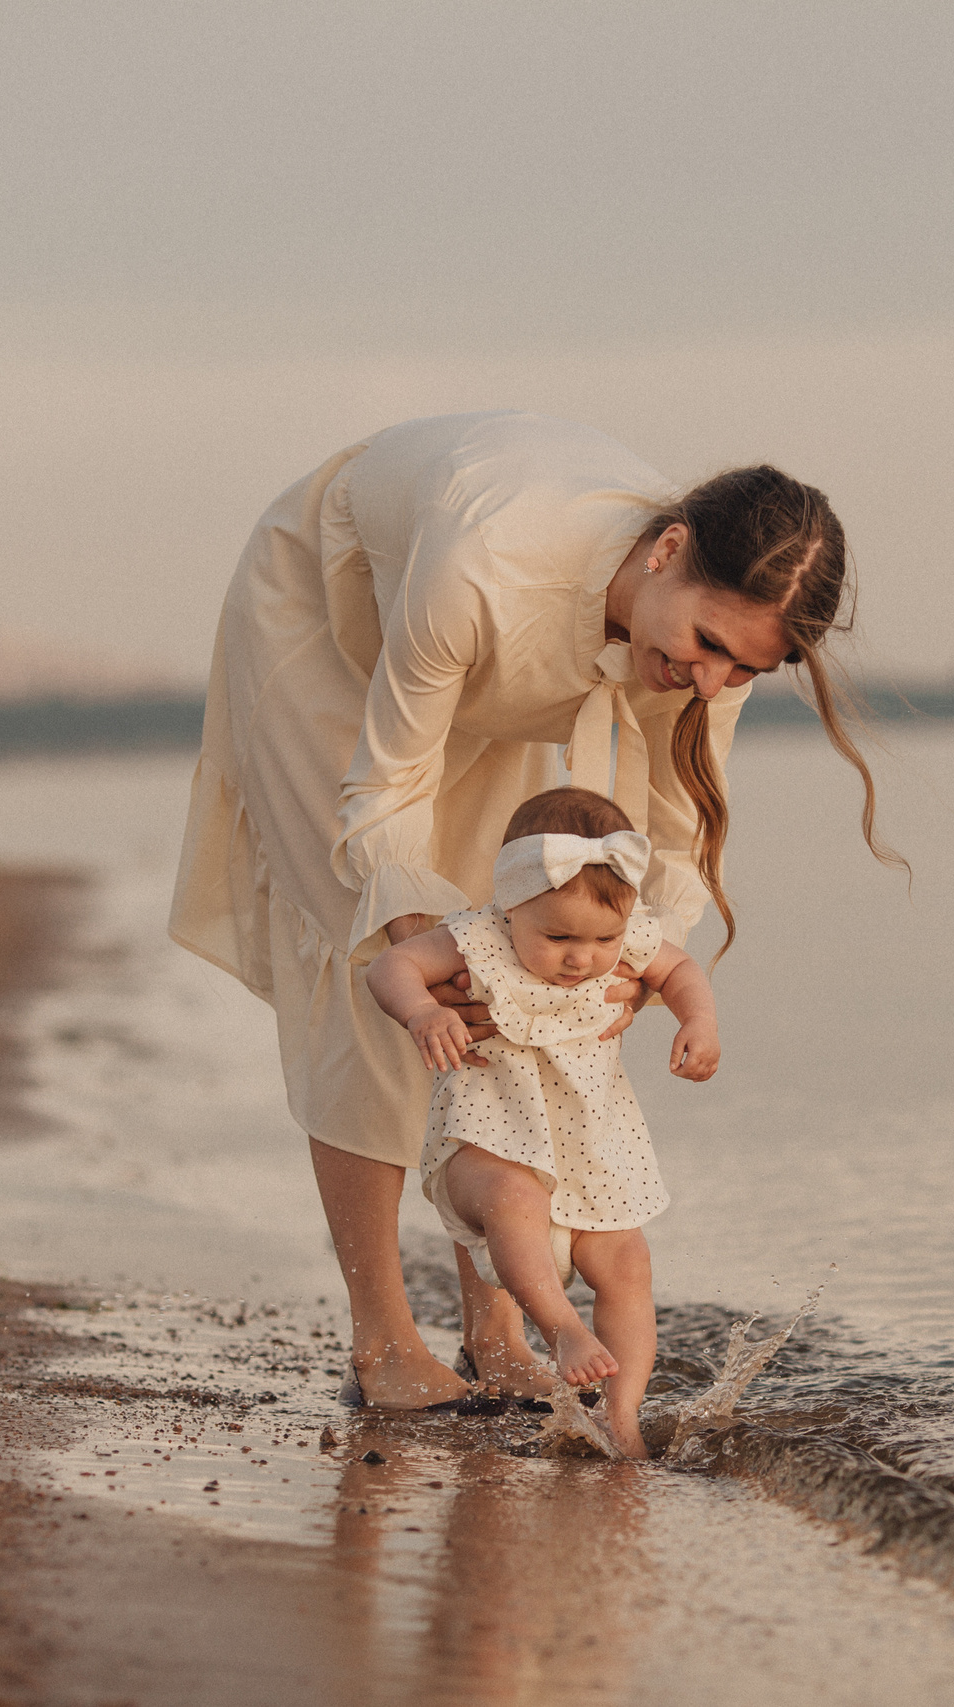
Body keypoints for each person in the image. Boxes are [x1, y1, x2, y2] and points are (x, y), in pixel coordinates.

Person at [169, 409, 893, 1408]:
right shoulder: (481, 571)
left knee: (514, 952)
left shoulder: (715, 637)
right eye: (707, 646)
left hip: (498, 667)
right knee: (385, 965)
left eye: (745, 671)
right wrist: (416, 949)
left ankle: (498, 1331)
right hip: (332, 625)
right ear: (669, 549)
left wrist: (641, 968)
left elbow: (676, 832)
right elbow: (382, 796)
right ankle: (383, 1343)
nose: (712, 681)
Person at [368, 786, 716, 1458]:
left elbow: (680, 968)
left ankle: (622, 1414)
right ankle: (560, 1329)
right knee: (515, 1196)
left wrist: (699, 1018)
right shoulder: (478, 939)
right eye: (557, 936)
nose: (582, 957)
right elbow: (393, 963)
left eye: (602, 938)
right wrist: (421, 1011)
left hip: (591, 1153)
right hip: (487, 1144)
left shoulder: (627, 941)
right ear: (512, 905)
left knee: (629, 1261)